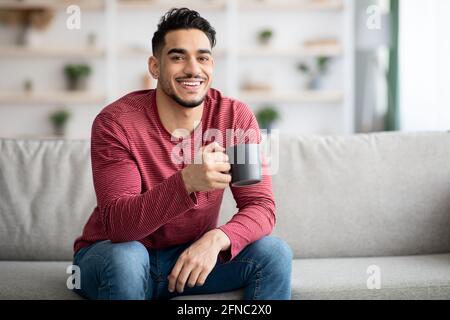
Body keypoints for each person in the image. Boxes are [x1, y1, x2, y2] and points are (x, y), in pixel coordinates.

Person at [72, 7, 292, 300]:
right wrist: (186, 182)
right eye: (177, 57)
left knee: (274, 253)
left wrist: (217, 239)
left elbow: (261, 206)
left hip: (188, 257)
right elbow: (120, 227)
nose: (192, 69)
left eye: (202, 58)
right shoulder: (116, 123)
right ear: (155, 66)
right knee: (127, 258)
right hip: (114, 253)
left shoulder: (234, 118)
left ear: (211, 65)